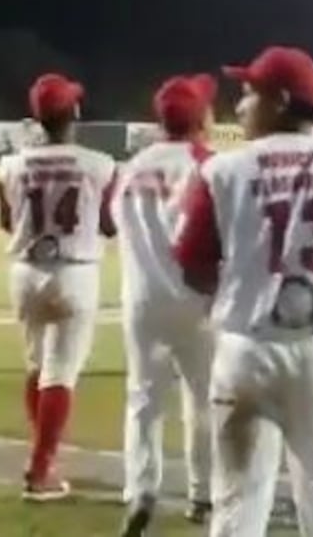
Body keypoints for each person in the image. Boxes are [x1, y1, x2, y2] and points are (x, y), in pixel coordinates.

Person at [175, 46, 313, 537]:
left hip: (247, 347)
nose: (239, 106)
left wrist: (245, 281)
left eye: (248, 93)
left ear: (278, 100)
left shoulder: (223, 170)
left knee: (236, 502)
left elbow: (192, 267)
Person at [0, 73, 118, 502]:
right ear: (76, 112)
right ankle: (41, 468)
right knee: (60, 374)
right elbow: (107, 224)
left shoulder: (11, 163)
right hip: (75, 270)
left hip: (26, 270)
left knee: (36, 367)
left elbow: (6, 221)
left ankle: (44, 455)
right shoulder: (99, 163)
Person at [114, 75, 218, 535]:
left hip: (141, 298)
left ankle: (141, 491)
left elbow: (113, 224)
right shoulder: (206, 164)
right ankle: (202, 494)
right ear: (200, 118)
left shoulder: (130, 167)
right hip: (198, 300)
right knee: (204, 400)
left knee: (143, 401)